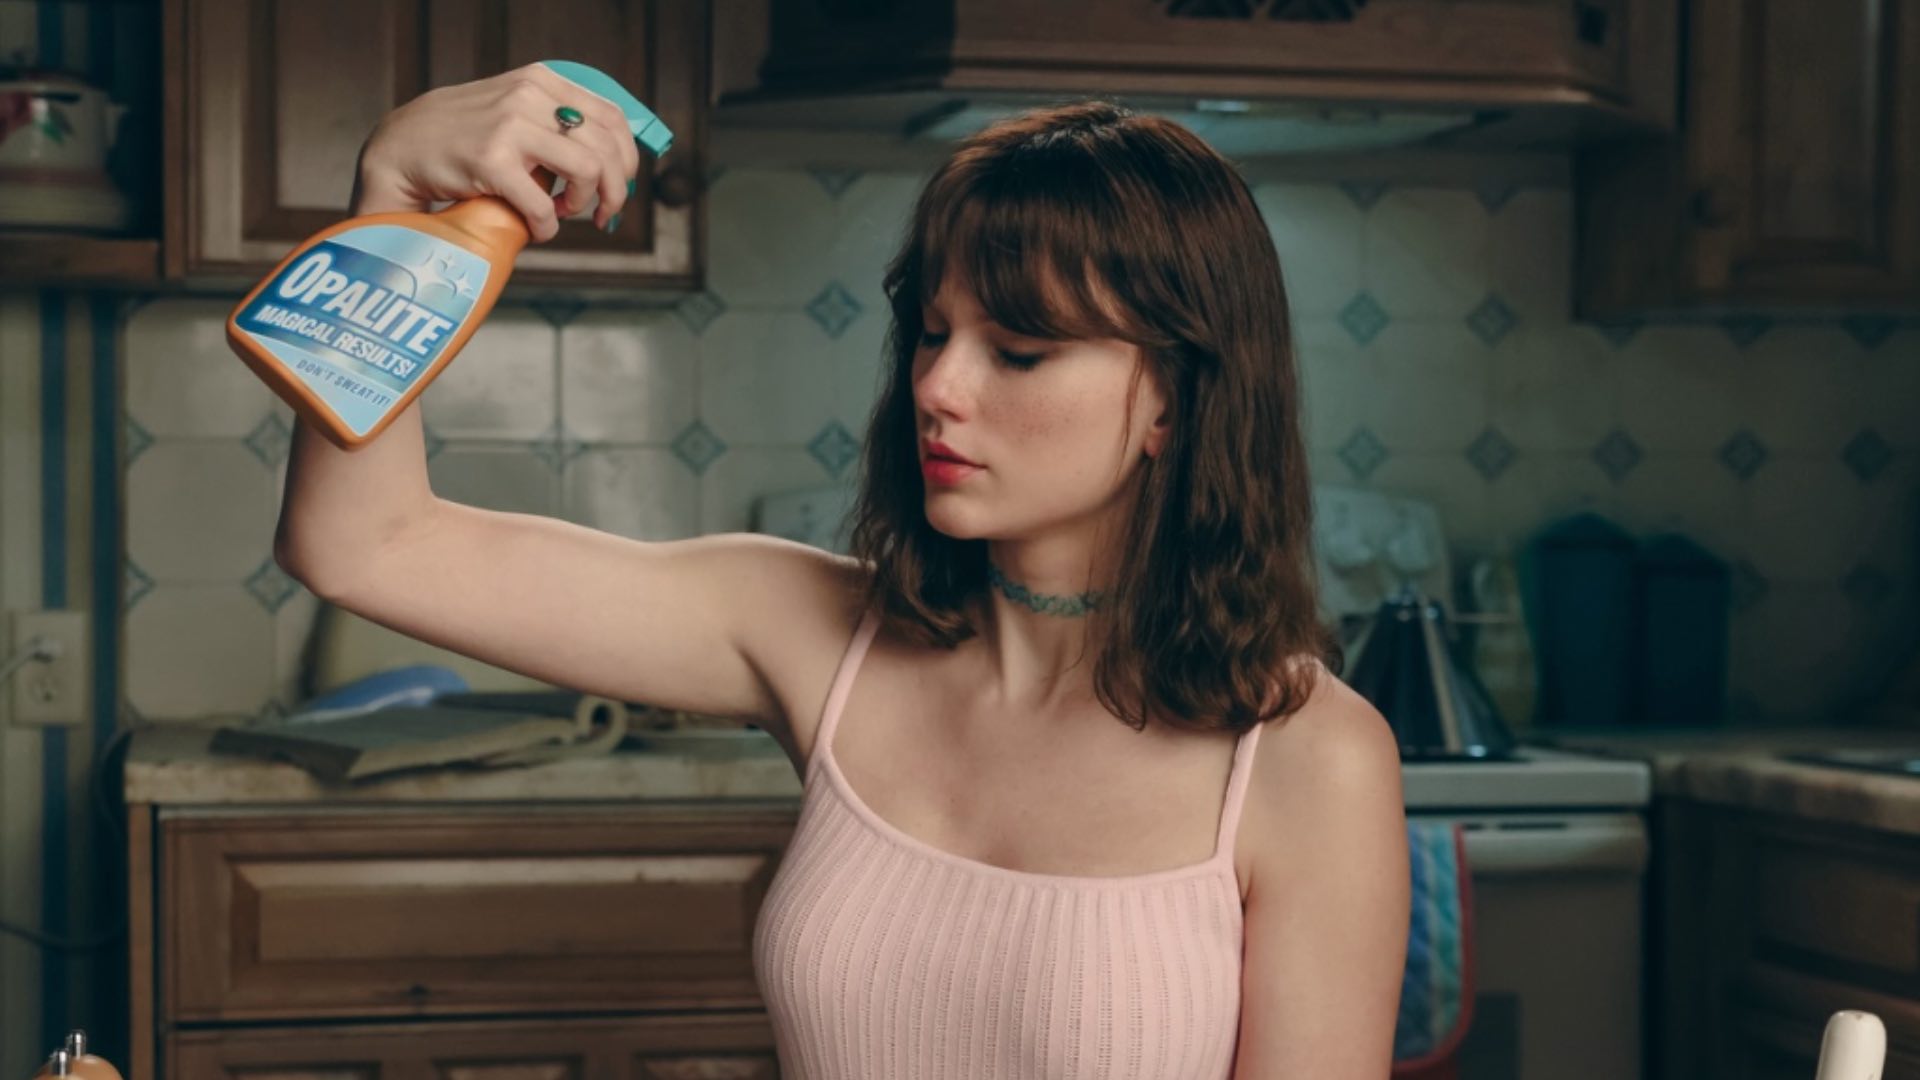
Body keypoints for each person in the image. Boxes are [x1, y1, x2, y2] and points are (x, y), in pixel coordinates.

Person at [275, 63, 1411, 1079]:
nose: (938, 387)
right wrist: (393, 210)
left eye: (1019, 350)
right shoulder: (815, 633)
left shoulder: (1310, 760)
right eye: (933, 331)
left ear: (1172, 398)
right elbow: (364, 545)